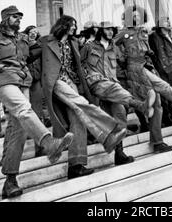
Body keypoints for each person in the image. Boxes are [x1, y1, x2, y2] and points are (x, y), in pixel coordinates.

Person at [0, 6, 74, 199]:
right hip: (3, 80)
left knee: (18, 129)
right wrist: (2, 67)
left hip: (22, 80)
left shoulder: (22, 40)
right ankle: (48, 143)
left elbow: (35, 53)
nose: (19, 19)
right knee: (24, 109)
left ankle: (10, 181)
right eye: (15, 16)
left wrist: (58, 36)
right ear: (6, 18)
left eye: (20, 17)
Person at [29, 15, 128, 180]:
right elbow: (29, 54)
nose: (74, 28)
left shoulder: (73, 42)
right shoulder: (47, 41)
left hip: (72, 82)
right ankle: (109, 131)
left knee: (78, 118)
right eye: (72, 25)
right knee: (82, 105)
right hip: (57, 81)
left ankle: (76, 164)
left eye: (75, 25)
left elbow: (79, 64)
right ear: (64, 25)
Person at [115, 6, 172, 153]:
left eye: (139, 16)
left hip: (148, 67)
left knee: (157, 106)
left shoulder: (143, 32)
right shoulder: (123, 33)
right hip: (135, 69)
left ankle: (158, 141)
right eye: (134, 16)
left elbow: (148, 52)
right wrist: (123, 62)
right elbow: (111, 49)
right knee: (165, 88)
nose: (137, 18)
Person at [81, 21, 155, 165]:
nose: (110, 32)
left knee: (120, 114)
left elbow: (124, 60)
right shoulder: (89, 46)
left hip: (113, 84)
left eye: (112, 30)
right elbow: (79, 64)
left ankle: (119, 154)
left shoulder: (114, 47)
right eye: (107, 30)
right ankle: (140, 105)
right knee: (115, 90)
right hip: (96, 83)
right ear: (101, 31)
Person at [23, 25, 50, 157]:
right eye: (31, 32)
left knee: (38, 112)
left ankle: (40, 147)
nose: (33, 34)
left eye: (35, 32)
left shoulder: (40, 47)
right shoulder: (22, 45)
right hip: (23, 83)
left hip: (37, 81)